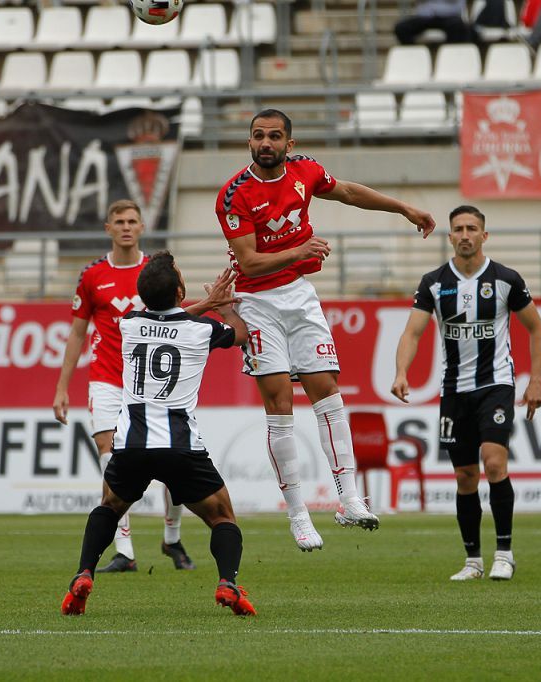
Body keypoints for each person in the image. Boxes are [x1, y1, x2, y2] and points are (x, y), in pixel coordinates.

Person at [215, 109, 436, 551]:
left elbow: (350, 192)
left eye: (275, 136)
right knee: (279, 403)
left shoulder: (305, 171)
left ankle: (349, 499)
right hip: (257, 304)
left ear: (289, 144)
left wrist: (403, 207)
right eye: (258, 135)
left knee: (328, 393)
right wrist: (301, 250)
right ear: (249, 142)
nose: (266, 143)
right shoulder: (233, 195)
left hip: (299, 296)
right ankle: (297, 515)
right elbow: (251, 262)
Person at [61, 251, 255, 617]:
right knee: (223, 518)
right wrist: (222, 306)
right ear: (181, 290)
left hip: (132, 442)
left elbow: (167, 319)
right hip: (181, 446)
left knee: (109, 508)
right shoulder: (203, 330)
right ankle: (228, 582)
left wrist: (201, 304)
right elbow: (242, 335)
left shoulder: (129, 324)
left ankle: (83, 573)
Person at [54, 199, 232, 574]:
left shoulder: (155, 271)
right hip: (107, 378)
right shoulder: (92, 275)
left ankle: (171, 536)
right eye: (119, 221)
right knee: (110, 454)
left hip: (153, 386)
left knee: (161, 455)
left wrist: (203, 306)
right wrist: (61, 387)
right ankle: (125, 550)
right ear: (108, 227)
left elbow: (171, 319)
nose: (126, 227)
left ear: (141, 226)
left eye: (132, 220)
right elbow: (76, 333)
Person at [391, 205, 541, 582]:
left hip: (496, 384)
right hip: (453, 389)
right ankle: (473, 560)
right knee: (464, 475)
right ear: (450, 236)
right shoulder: (433, 282)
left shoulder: (506, 279)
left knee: (494, 463)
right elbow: (412, 332)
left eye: (472, 228)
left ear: (484, 235)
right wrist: (401, 372)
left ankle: (505, 554)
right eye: (458, 228)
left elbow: (537, 330)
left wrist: (536, 379)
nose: (465, 234)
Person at [393, 0, 475, 46]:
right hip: (426, 16)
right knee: (401, 28)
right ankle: (416, 57)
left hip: (449, 15)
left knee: (458, 27)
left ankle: (450, 59)